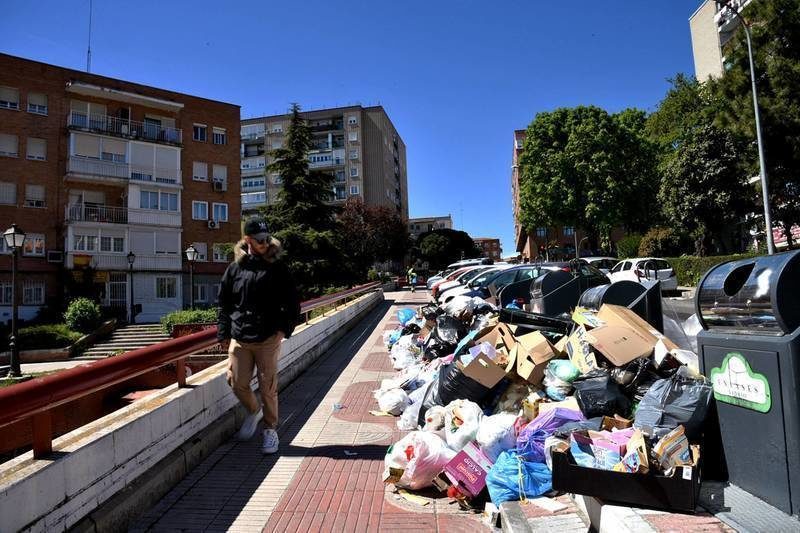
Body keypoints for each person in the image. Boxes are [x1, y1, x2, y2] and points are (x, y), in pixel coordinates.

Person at [217, 216, 300, 454]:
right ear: (247, 240)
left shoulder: (277, 268)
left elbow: (293, 302)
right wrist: (223, 332)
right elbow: (223, 303)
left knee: (268, 386)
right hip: (240, 336)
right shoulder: (235, 269)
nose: (265, 243)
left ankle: (270, 431)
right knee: (236, 382)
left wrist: (284, 329)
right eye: (260, 240)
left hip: (268, 337)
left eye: (267, 239)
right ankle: (254, 411)